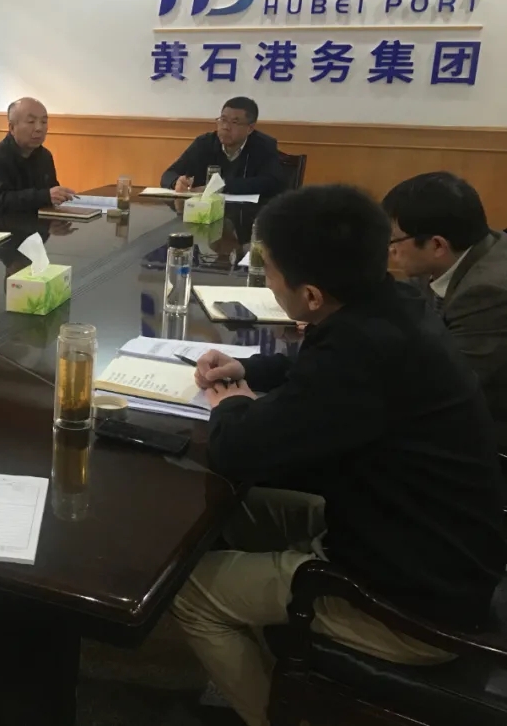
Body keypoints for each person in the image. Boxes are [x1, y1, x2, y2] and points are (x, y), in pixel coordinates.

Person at [171, 185, 506, 726]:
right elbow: (320, 371)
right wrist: (250, 369)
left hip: (408, 604)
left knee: (188, 590)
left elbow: (237, 450)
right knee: (235, 511)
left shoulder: (362, 350)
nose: (268, 280)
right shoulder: (391, 304)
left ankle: (281, 715)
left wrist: (230, 404)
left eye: (270, 272)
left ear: (310, 296)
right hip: (423, 545)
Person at [382, 172, 507, 454]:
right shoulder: (464, 252)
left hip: (489, 432)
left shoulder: (490, 291)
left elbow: (446, 386)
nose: (390, 251)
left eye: (394, 241)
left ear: (437, 245)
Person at [0, 97, 76, 220]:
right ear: (12, 128)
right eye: (31, 122)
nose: (39, 128)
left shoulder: (45, 156)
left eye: (44, 122)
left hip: (35, 225)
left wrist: (60, 197)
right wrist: (44, 196)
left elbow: (51, 194)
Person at [161, 96, 285, 197]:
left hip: (247, 214)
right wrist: (176, 182)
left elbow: (272, 183)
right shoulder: (204, 143)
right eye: (223, 120)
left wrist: (223, 186)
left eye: (234, 122)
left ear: (250, 128)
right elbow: (168, 174)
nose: (225, 127)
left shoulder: (264, 145)